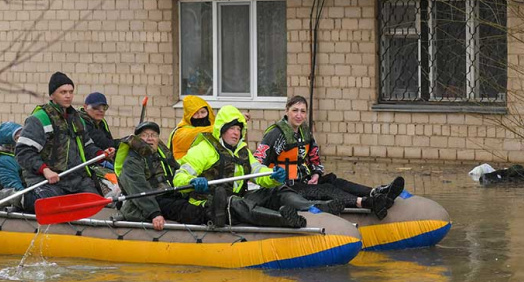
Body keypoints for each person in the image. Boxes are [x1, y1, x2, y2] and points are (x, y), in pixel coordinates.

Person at [173, 106, 339, 229]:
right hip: (210, 203)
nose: (236, 133)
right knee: (235, 203)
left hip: (239, 197)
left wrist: (273, 176)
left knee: (276, 190)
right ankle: (283, 219)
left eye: (238, 129)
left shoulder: (243, 151)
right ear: (221, 130)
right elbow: (179, 177)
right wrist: (192, 181)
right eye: (231, 128)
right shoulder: (203, 149)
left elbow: (258, 171)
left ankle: (312, 206)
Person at [254, 95, 405, 219]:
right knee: (326, 189)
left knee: (332, 180)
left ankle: (376, 192)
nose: (299, 115)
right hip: (286, 187)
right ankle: (365, 202)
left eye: (303, 111)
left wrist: (316, 173)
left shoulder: (305, 132)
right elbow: (258, 161)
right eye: (295, 110)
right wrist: (272, 178)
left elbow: (314, 157)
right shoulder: (275, 134)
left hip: (304, 180)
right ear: (287, 111)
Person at [15, 72, 115, 208]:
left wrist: (101, 154)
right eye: (63, 92)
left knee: (94, 203)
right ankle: (16, 198)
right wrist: (45, 170)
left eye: (71, 92)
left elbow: (87, 146)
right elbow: (23, 152)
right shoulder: (39, 119)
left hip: (76, 179)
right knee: (49, 204)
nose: (68, 96)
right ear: (52, 95)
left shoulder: (77, 120)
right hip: (46, 179)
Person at [115, 120, 210, 230]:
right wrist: (154, 214)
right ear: (137, 139)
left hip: (171, 194)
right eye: (145, 135)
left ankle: (217, 210)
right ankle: (211, 217)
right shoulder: (132, 161)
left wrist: (190, 181)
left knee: (202, 198)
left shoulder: (162, 155)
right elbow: (138, 188)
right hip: (153, 199)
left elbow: (177, 172)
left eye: (154, 135)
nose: (150, 138)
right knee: (186, 210)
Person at [168, 95, 215, 161]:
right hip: (182, 166)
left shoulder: (209, 126)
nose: (200, 116)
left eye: (203, 112)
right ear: (188, 116)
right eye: (195, 113)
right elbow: (197, 133)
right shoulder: (181, 132)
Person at [0, 121, 25, 191]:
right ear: (9, 141)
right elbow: (15, 188)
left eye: (23, 136)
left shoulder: (21, 155)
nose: (23, 140)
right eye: (18, 138)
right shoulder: (3, 162)